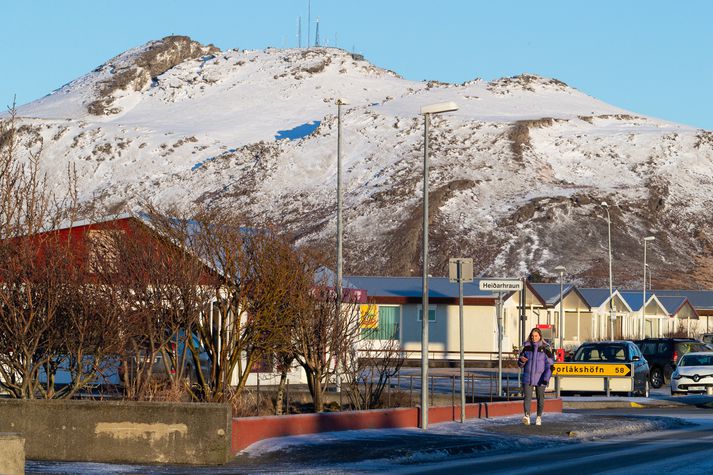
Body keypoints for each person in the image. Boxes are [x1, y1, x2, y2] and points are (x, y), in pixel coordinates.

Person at [518, 328, 554, 426]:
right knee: (527, 398)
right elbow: (520, 364)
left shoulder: (546, 348)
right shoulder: (526, 347)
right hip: (528, 376)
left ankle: (539, 417)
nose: (534, 338)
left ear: (540, 336)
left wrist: (546, 378)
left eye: (536, 336)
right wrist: (522, 361)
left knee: (540, 398)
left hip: (541, 377)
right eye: (532, 336)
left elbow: (550, 365)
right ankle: (527, 416)